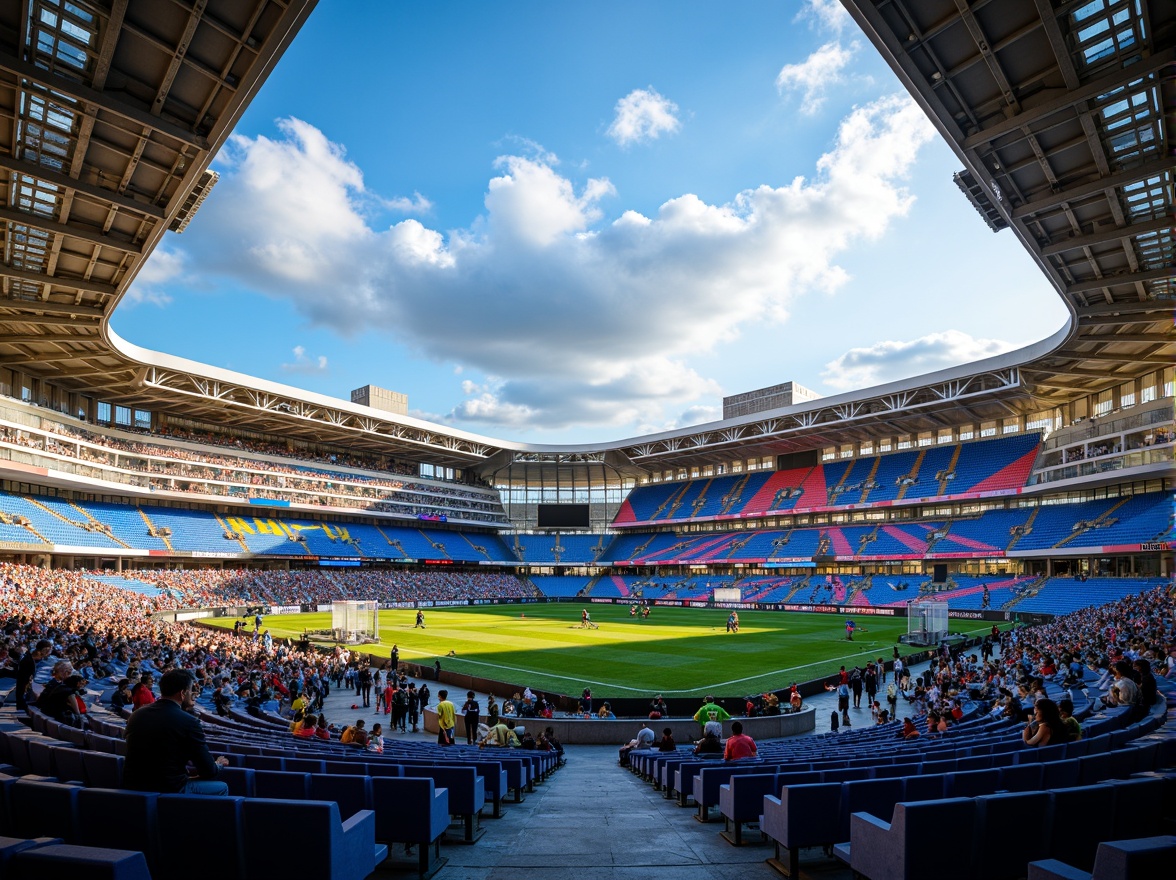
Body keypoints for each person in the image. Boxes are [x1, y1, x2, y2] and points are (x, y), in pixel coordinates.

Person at [123, 669, 229, 795]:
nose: (193, 694)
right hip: (168, 789)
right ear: (183, 693)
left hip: (133, 787)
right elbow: (209, 771)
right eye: (191, 690)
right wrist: (218, 764)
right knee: (222, 787)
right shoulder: (189, 722)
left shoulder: (137, 714)